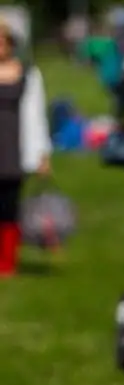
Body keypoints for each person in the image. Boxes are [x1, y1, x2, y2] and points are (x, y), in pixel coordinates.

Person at [0, 20, 51, 277]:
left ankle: (7, 261)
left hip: (13, 150)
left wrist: (42, 154)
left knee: (10, 207)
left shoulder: (27, 74)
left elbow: (36, 116)